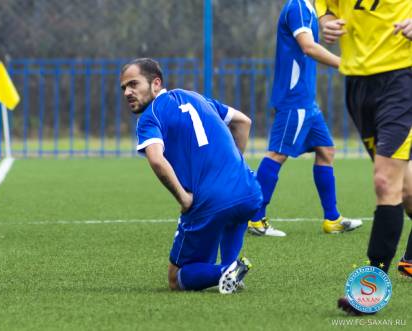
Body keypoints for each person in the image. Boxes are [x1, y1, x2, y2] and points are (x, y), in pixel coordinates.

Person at [120, 58, 263, 294]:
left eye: (134, 84)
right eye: (124, 87)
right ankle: (231, 271)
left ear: (156, 84)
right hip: (248, 188)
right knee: (233, 217)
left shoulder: (150, 116)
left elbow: (156, 158)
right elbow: (243, 122)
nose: (128, 92)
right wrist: (234, 165)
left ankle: (223, 272)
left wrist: (183, 199)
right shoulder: (197, 97)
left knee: (176, 278)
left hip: (210, 201)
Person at [314, 0, 412, 315]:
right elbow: (327, 9)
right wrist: (327, 22)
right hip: (358, 83)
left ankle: (370, 288)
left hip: (401, 78)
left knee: (385, 182)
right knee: (405, 190)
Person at [247, 0, 362, 237]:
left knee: (326, 150)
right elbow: (308, 47)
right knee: (277, 154)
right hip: (294, 100)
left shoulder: (311, 8)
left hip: (306, 101)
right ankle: (255, 219)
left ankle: (332, 219)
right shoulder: (298, 6)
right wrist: (346, 64)